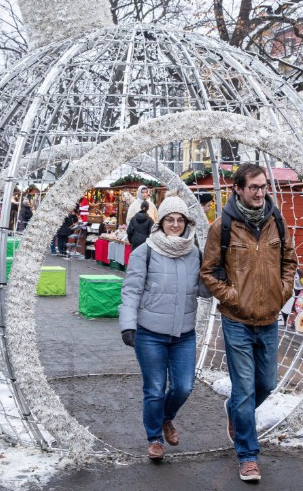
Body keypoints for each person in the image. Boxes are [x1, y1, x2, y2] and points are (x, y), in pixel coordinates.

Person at [200, 163, 297, 482]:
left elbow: (289, 261)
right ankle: (247, 455)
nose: (259, 192)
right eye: (253, 187)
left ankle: (235, 413)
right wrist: (232, 297)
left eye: (263, 186)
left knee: (266, 384)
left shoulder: (277, 222)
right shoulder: (222, 226)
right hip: (237, 320)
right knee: (244, 388)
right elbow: (208, 271)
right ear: (238, 189)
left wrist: (281, 293)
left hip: (269, 318)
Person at [119, 196, 208, 461]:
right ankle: (155, 437)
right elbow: (131, 290)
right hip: (150, 334)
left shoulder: (195, 252)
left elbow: (203, 290)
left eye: (180, 220)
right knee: (155, 388)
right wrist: (128, 325)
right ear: (161, 222)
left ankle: (167, 418)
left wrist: (217, 276)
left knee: (183, 386)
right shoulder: (144, 251)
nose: (175, 224)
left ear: (186, 223)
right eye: (170, 219)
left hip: (184, 334)